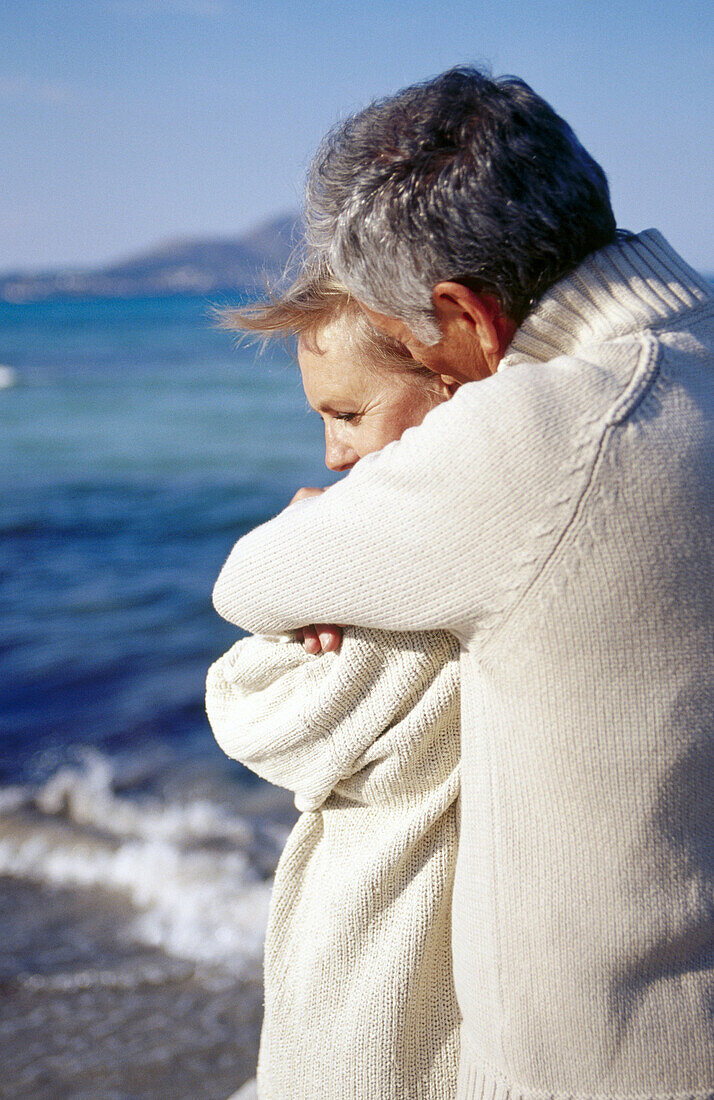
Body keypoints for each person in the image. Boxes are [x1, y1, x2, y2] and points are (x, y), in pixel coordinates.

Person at [212, 67, 714, 1099]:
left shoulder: (545, 435)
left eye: (414, 349)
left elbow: (253, 581)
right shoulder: (690, 357)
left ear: (468, 319)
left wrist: (319, 522)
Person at [207, 269, 462, 1099]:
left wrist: (299, 556)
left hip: (385, 988)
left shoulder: (417, 597)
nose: (331, 452)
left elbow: (252, 714)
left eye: (350, 415)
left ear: (451, 381)